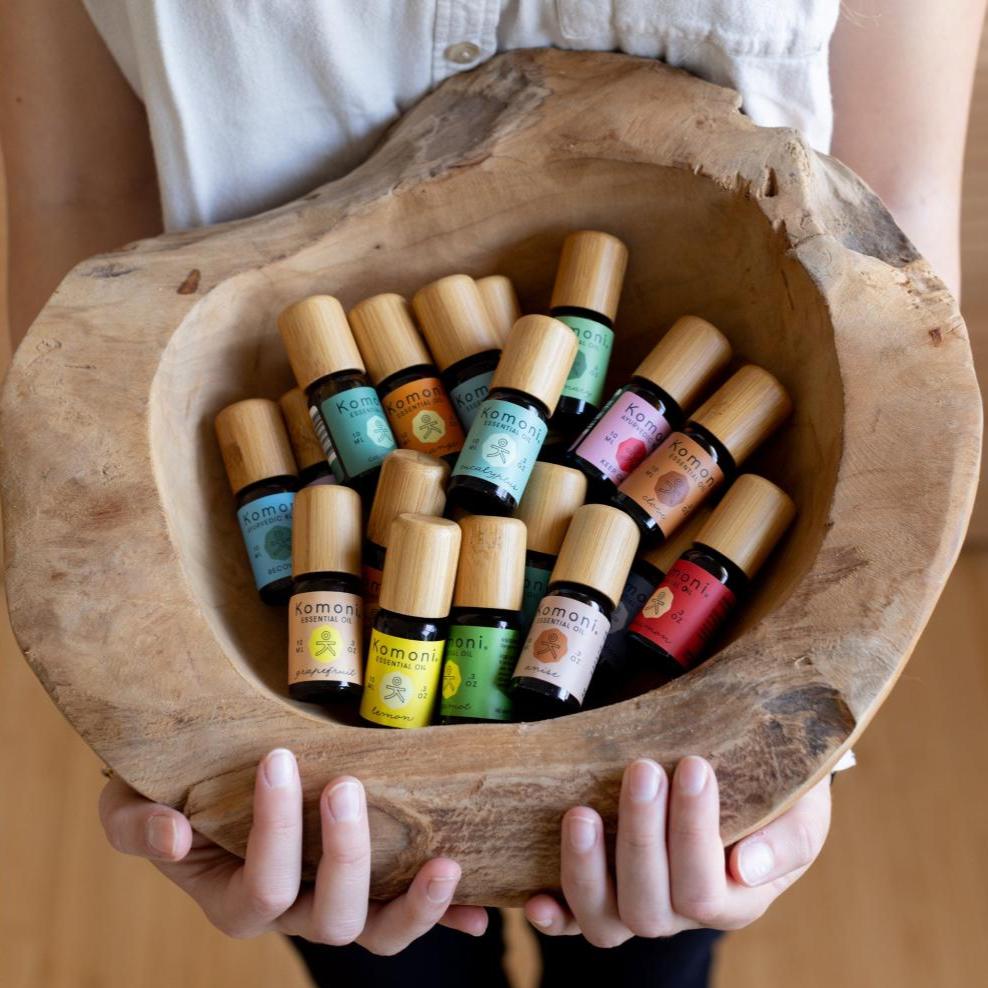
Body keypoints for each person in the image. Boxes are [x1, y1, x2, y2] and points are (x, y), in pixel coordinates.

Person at [5, 1, 985, 985]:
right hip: (285, 683)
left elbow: (891, 222)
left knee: (650, 943)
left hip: (699, 678)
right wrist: (147, 695)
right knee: (377, 948)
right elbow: (74, 198)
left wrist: (812, 730)